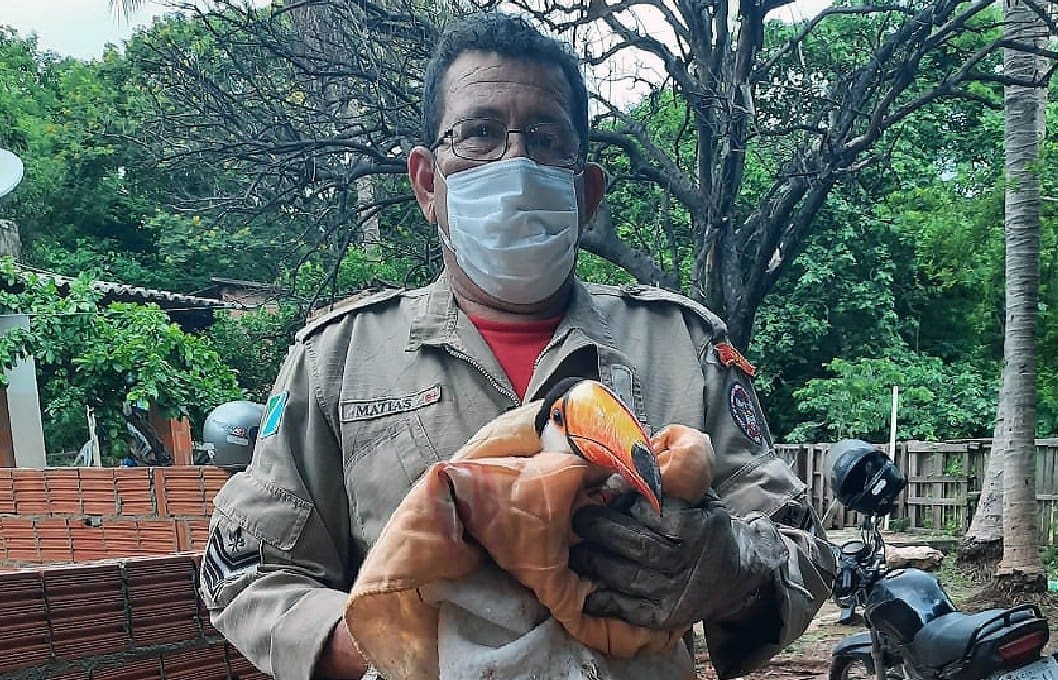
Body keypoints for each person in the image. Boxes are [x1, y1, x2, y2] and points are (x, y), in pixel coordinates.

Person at [198, 11, 836, 680]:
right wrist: (401, 635)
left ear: (587, 192)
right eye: (478, 133)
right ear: (427, 183)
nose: (515, 161)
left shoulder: (684, 347)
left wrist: (732, 568)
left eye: (546, 138)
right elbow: (248, 573)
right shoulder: (337, 360)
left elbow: (801, 546)